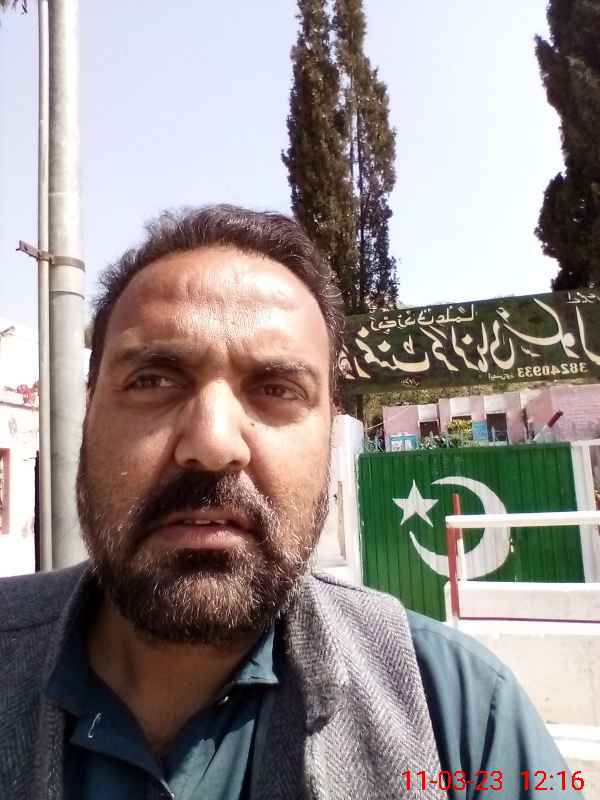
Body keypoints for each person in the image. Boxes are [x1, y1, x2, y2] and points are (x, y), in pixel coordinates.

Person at [0, 206, 581, 800]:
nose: (213, 443)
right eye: (154, 380)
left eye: (276, 388)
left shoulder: (462, 721)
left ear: (332, 432)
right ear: (88, 412)